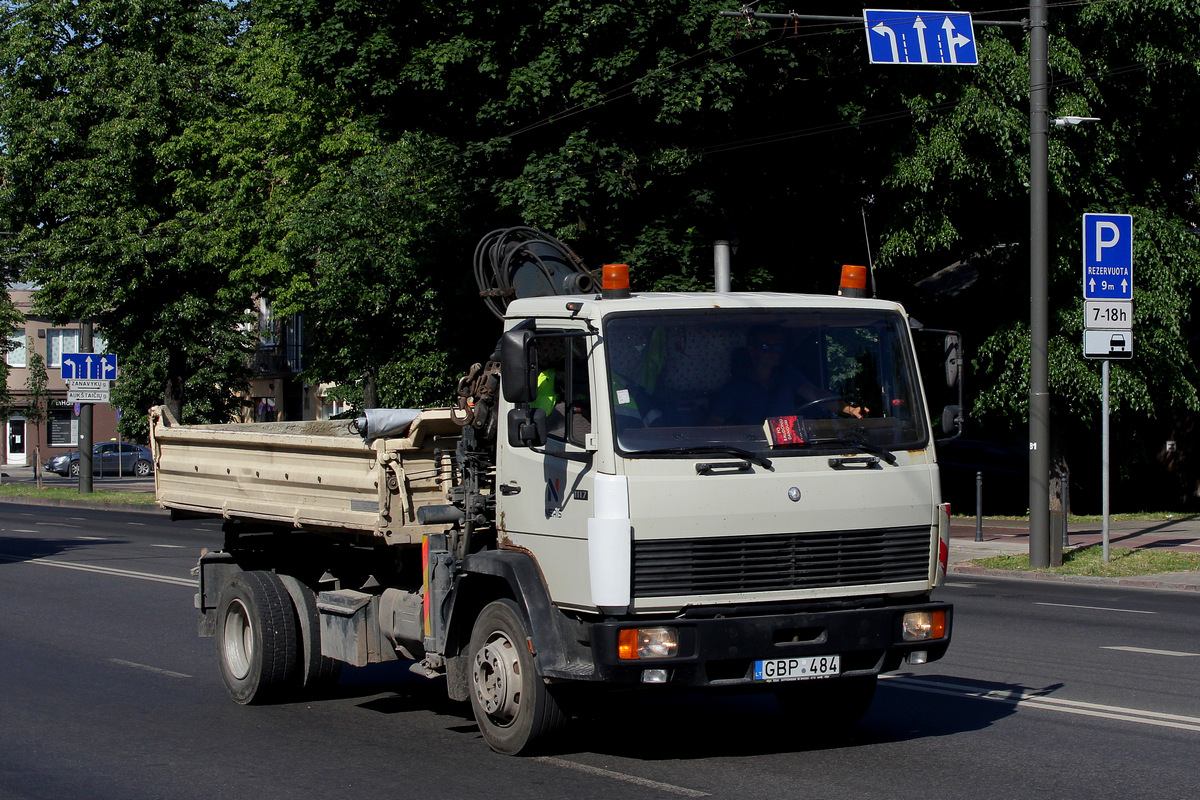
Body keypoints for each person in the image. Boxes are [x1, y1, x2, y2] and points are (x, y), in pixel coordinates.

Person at [707, 328, 868, 425]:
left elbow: (816, 394)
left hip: (790, 444)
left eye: (777, 347)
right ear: (752, 350)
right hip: (753, 450)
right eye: (766, 347)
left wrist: (850, 409)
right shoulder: (735, 388)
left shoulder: (788, 376)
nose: (773, 352)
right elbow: (715, 424)